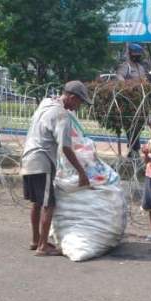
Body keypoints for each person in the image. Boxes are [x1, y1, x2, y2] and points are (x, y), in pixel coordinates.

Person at [21, 81, 92, 257]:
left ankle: (35, 240)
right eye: (79, 102)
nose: (78, 107)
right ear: (72, 98)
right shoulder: (62, 115)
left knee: (37, 202)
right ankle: (43, 246)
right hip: (41, 160)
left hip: (27, 158)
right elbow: (66, 148)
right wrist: (81, 172)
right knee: (49, 204)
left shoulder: (46, 103)